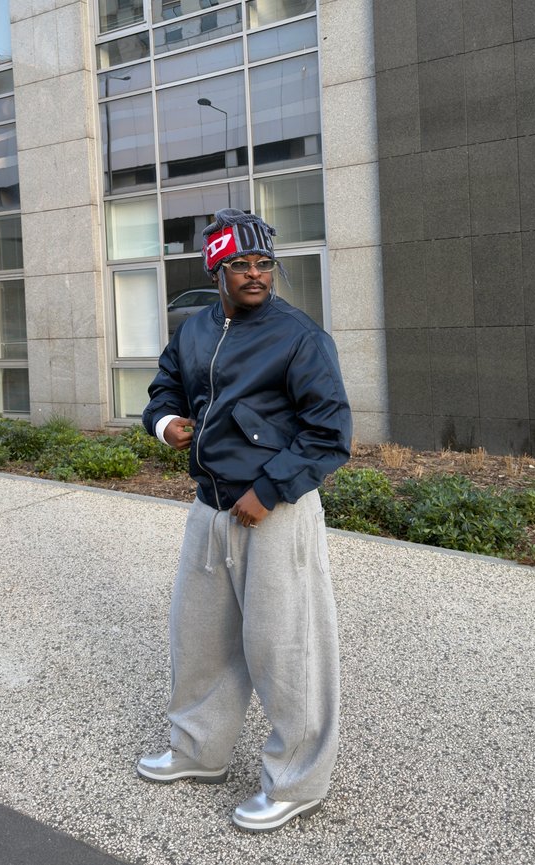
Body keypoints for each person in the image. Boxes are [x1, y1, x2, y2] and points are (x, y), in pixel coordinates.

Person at [138, 208, 352, 833]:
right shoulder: (195, 330)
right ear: (217, 268)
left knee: (286, 647)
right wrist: (165, 422)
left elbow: (330, 435)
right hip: (210, 506)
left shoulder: (299, 337)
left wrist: (270, 488)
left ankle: (297, 781)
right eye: (240, 265)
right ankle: (197, 751)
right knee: (198, 640)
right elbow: (166, 387)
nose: (255, 275)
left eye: (264, 264)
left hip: (275, 512)